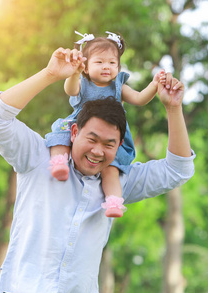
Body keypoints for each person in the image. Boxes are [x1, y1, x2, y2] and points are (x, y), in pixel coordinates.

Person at [0, 47, 195, 293]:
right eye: (91, 139)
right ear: (73, 133)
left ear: (120, 146)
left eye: (109, 144)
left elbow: (177, 170)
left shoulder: (119, 181)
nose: (97, 151)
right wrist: (50, 74)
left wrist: (173, 109)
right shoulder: (38, 157)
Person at [46, 31, 164, 218]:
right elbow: (70, 90)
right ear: (85, 67)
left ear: (118, 66)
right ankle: (59, 162)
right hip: (79, 125)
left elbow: (140, 99)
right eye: (99, 62)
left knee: (111, 170)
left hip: (109, 135)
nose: (106, 67)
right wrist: (74, 74)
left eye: (112, 63)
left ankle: (114, 202)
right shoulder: (83, 83)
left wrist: (154, 85)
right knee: (60, 135)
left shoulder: (119, 86)